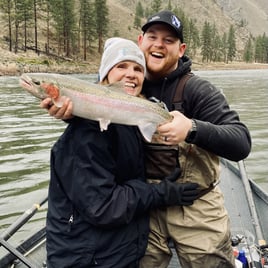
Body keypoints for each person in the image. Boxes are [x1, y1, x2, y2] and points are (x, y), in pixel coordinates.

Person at [42, 11, 251, 268]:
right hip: (143, 206)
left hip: (193, 203)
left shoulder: (197, 90)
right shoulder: (131, 84)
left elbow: (241, 142)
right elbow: (97, 104)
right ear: (141, 41)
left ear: (181, 48)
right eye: (152, 36)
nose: (159, 44)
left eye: (169, 40)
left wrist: (192, 129)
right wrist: (74, 114)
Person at [45, 37, 200, 268]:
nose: (131, 74)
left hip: (116, 251)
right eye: (121, 66)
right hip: (88, 260)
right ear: (104, 75)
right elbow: (104, 207)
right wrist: (160, 193)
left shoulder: (128, 121)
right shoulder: (84, 132)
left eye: (138, 69)